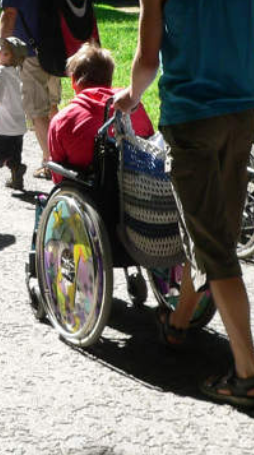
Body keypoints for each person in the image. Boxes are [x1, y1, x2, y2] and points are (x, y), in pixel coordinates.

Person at [114, 0, 254, 408]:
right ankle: (179, 321)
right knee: (214, 230)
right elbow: (253, 50)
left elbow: (147, 57)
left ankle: (246, 373)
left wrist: (131, 96)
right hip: (243, 114)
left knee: (216, 246)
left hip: (193, 119)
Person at [48, 43, 201, 344]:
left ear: (76, 81)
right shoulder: (135, 108)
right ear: (108, 78)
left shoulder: (63, 120)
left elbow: (58, 178)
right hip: (138, 209)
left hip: (93, 215)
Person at [0, 0, 62, 179]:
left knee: (37, 111)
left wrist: (2, 49)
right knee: (52, 105)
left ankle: (50, 162)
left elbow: (8, 14)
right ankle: (59, 154)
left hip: (30, 52)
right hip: (55, 51)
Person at [0, 36, 29, 190]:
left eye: (4, 52)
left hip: (2, 124)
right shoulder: (18, 70)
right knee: (15, 152)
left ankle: (14, 167)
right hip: (18, 125)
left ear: (13, 58)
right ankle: (16, 179)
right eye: (0, 50)